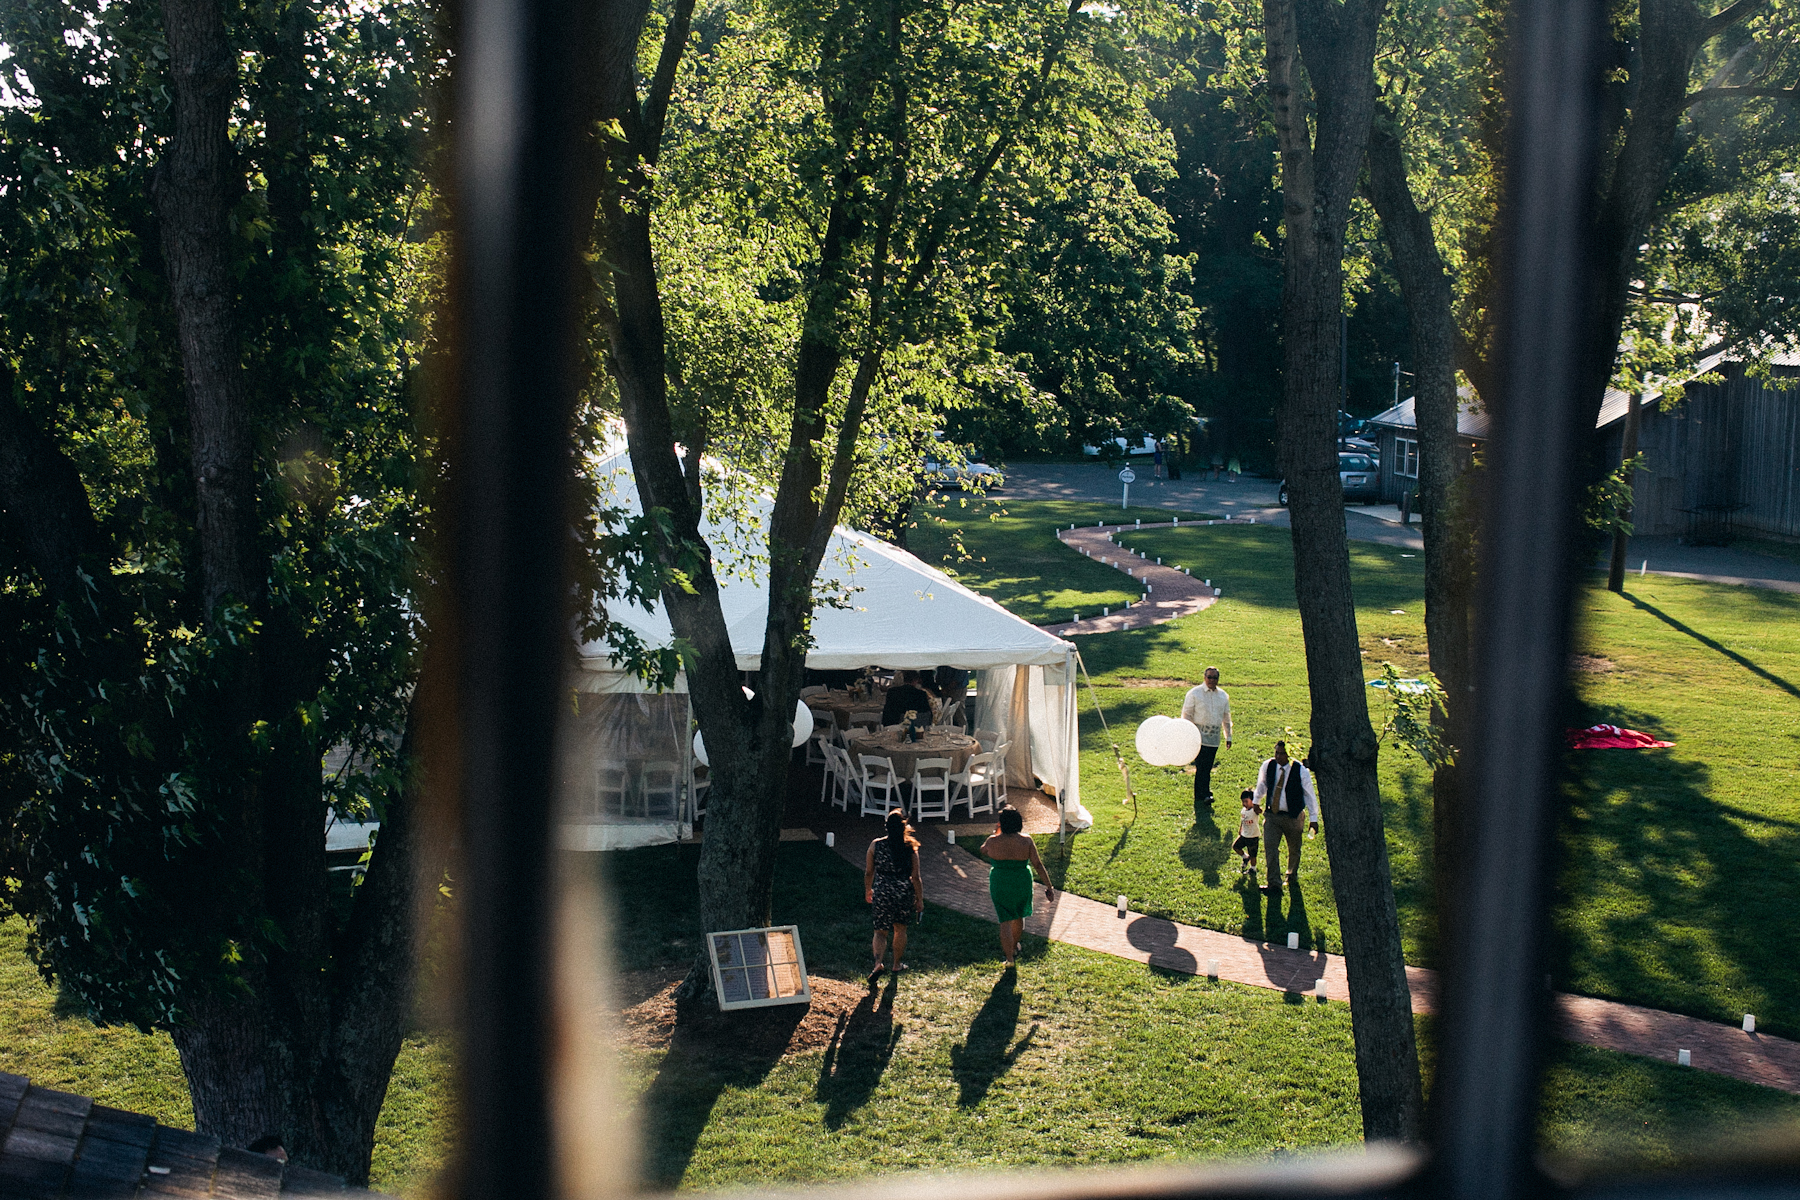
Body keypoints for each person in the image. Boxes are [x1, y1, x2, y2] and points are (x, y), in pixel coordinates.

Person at [981, 804, 1056, 967]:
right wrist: (1049, 886)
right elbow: (1038, 864)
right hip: (1021, 881)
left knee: (1004, 920)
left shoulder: (993, 841)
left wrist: (996, 832)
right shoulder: (1026, 841)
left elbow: (983, 850)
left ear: (1001, 823)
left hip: (1000, 881)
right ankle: (1015, 945)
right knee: (1018, 915)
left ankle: (1009, 959)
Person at [864, 809, 924, 983]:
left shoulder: (876, 845)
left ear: (886, 827)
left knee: (880, 931)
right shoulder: (910, 848)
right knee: (900, 929)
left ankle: (877, 963)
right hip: (903, 892)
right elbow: (916, 877)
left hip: (882, 891)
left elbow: (869, 872)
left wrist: (868, 889)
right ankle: (896, 964)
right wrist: (919, 899)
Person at [1252, 740, 1319, 890]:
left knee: (1294, 849)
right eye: (1277, 752)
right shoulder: (1268, 766)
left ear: (1289, 755)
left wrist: (1313, 819)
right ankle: (1274, 883)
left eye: (1282, 754)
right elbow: (1262, 784)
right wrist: (1256, 801)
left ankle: (1291, 875)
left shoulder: (1300, 770)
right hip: (1272, 815)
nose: (1278, 756)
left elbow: (1309, 795)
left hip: (1293, 816)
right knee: (1270, 848)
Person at [1180, 666, 1232, 817]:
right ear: (1204, 677)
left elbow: (1226, 718)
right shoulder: (1195, 693)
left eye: (1215, 678)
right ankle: (1203, 794)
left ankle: (1203, 793)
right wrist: (1187, 733)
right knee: (1202, 766)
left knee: (1207, 766)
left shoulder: (1223, 696)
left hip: (1213, 738)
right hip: (1198, 736)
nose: (1212, 680)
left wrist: (1228, 736)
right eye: (1209, 677)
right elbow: (1187, 714)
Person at [1232, 788, 1261, 874]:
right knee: (1235, 847)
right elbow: (1242, 820)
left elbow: (1260, 811)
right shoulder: (1243, 810)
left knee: (1253, 855)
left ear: (1252, 801)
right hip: (1244, 835)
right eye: (1243, 802)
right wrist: (1240, 829)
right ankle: (1245, 857)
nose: (1244, 804)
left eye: (1246, 801)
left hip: (1253, 836)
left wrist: (1257, 805)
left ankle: (1253, 868)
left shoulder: (1254, 810)